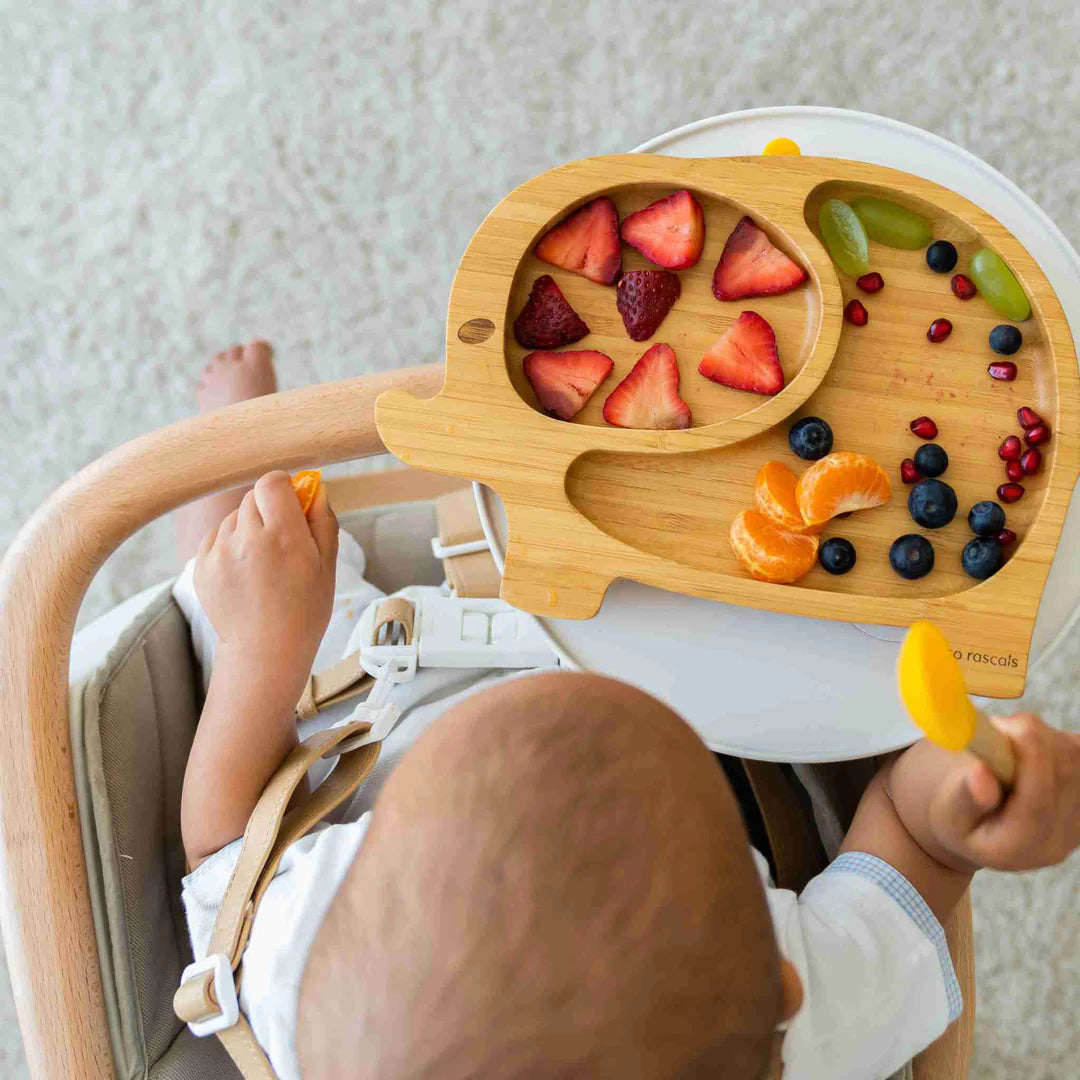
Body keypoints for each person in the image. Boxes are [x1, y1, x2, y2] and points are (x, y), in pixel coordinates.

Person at [176, 340, 1080, 1080]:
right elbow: (915, 842)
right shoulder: (808, 1026)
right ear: (783, 992)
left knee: (254, 586)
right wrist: (973, 803)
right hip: (716, 692)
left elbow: (226, 859)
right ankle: (250, 477)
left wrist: (261, 652)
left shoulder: (309, 978)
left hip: (396, 698)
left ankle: (240, 461)